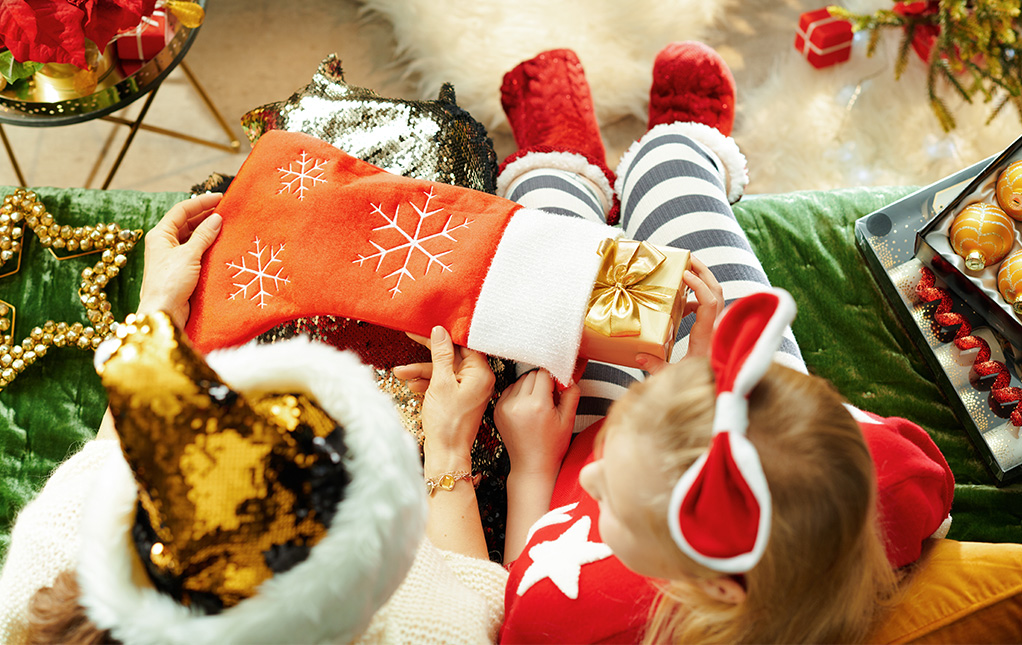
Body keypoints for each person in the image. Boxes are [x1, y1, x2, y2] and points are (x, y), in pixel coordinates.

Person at [397, 43, 954, 643]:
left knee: (550, 242)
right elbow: (892, 471)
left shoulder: (564, 618)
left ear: (710, 587)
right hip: (739, 421)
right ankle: (672, 152)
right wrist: (697, 379)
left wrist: (524, 467)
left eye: (612, 492)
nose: (591, 482)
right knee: (675, 188)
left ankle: (559, 169)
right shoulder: (887, 477)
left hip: (562, 466)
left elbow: (515, 585)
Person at [0, 193, 508, 644]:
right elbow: (479, 600)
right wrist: (449, 448)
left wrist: (157, 311)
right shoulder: (428, 629)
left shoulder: (43, 571)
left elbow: (108, 458)